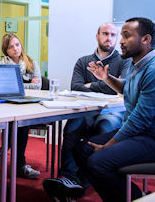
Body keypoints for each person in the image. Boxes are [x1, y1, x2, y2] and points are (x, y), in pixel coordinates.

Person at [44, 17, 155, 202]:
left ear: (145, 39)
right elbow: (127, 87)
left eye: (126, 36)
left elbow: (140, 120)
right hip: (146, 134)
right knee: (83, 149)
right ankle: (132, 195)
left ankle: (132, 197)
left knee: (98, 161)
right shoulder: (142, 65)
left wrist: (108, 146)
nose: (120, 41)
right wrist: (106, 78)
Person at [44, 23, 130, 195]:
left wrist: (91, 84)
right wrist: (107, 83)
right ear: (97, 36)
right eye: (105, 33)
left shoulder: (124, 61)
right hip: (86, 109)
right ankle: (66, 176)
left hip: (113, 110)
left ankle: (83, 180)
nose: (109, 38)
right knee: (72, 127)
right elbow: (75, 87)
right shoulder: (83, 61)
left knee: (104, 128)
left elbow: (123, 86)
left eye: (113, 35)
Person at [0, 33, 41, 179]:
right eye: (11, 47)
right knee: (17, 123)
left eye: (17, 45)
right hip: (7, 105)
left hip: (27, 104)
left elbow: (38, 86)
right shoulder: (1, 65)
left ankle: (13, 158)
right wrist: (27, 84)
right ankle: (19, 165)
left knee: (21, 123)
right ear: (5, 50)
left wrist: (15, 84)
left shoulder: (31, 63)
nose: (15, 49)